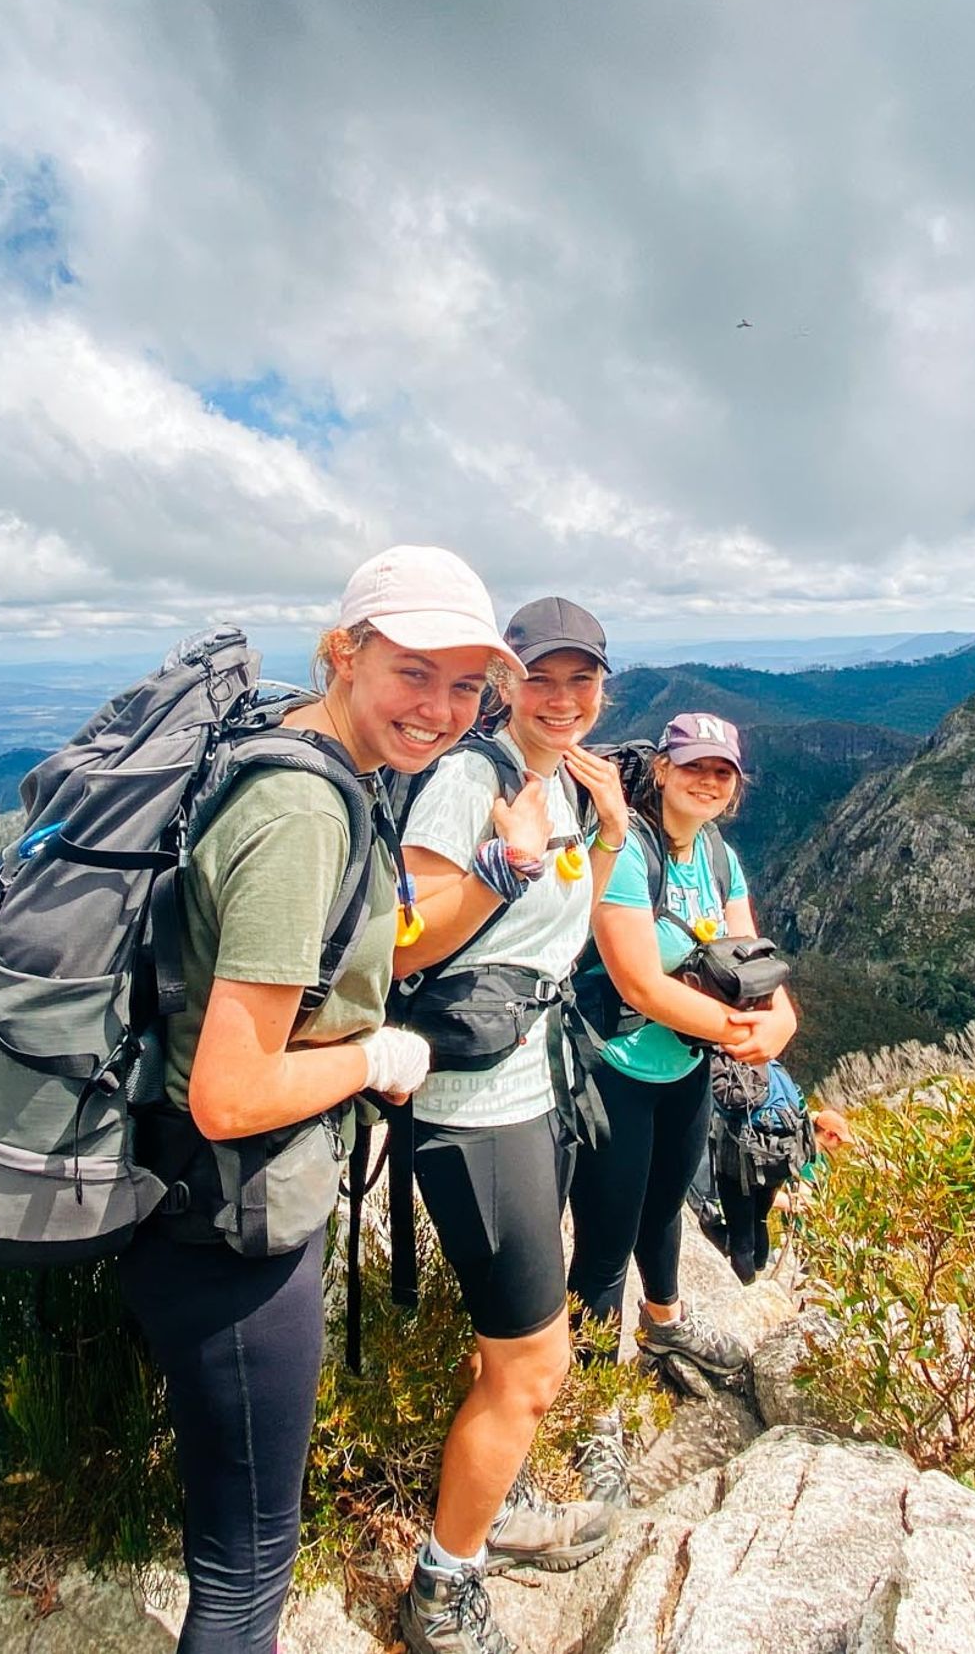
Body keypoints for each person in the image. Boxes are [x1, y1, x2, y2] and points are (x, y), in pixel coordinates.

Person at [121, 545, 518, 1654]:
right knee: (246, 1578)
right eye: (412, 672)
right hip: (225, 1228)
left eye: (464, 685)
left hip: (199, 1204)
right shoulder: (304, 812)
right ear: (344, 653)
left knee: (236, 1548)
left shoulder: (313, 756)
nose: (440, 709)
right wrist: (374, 1056)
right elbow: (232, 1092)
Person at [391, 597, 635, 1654]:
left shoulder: (564, 781)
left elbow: (560, 928)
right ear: (506, 683)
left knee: (510, 1347)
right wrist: (506, 864)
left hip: (535, 1085)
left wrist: (608, 834)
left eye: (583, 679)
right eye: (542, 677)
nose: (563, 698)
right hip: (474, 1108)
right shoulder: (468, 780)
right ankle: (442, 1589)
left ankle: (499, 1498)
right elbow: (399, 944)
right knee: (533, 1367)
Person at [567, 712, 798, 1381]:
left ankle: (664, 1324)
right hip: (613, 1070)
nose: (708, 780)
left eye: (722, 772)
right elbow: (638, 983)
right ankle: (593, 1397)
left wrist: (782, 1019)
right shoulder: (627, 853)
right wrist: (744, 1033)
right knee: (605, 1246)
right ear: (663, 769)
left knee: (665, 1206)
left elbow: (753, 960)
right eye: (695, 766)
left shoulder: (719, 856)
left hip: (686, 1066)